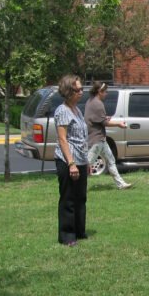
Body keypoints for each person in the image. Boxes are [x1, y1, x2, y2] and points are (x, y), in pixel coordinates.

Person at [54, 74, 89, 246]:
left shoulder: (77, 110)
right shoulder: (62, 111)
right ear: (68, 91)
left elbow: (82, 138)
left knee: (81, 198)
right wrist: (71, 163)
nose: (81, 92)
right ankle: (67, 236)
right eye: (77, 89)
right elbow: (63, 139)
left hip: (81, 161)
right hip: (68, 161)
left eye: (82, 89)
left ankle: (79, 231)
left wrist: (85, 162)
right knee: (68, 198)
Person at [84, 81, 131, 190]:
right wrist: (119, 124)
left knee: (111, 160)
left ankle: (121, 184)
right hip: (96, 139)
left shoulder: (90, 101)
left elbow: (97, 119)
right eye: (105, 92)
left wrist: (105, 119)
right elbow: (104, 122)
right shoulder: (98, 104)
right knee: (87, 163)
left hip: (100, 139)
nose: (107, 94)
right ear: (99, 92)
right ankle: (77, 186)